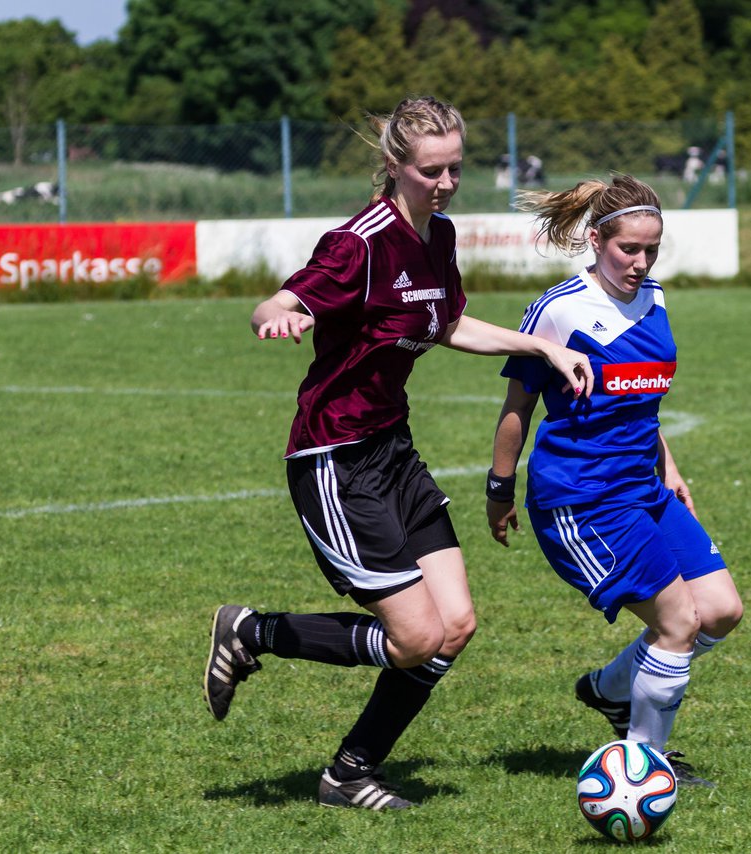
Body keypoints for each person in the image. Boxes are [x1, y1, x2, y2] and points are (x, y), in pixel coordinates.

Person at [202, 96, 594, 811]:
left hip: (393, 448)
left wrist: (539, 344)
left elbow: (447, 324)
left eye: (454, 169)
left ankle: (349, 773)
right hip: (336, 457)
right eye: (430, 172)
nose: (444, 184)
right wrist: (279, 316)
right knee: (414, 638)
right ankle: (249, 631)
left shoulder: (437, 237)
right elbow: (276, 302)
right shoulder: (359, 242)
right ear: (394, 166)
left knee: (457, 626)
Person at [486, 175, 743, 788]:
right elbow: (516, 409)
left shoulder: (654, 298)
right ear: (597, 239)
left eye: (652, 249)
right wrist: (498, 489)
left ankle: (608, 689)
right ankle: (642, 772)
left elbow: (642, 406)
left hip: (644, 488)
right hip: (582, 498)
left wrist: (669, 467)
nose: (641, 262)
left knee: (722, 610)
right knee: (678, 623)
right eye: (629, 248)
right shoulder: (561, 309)